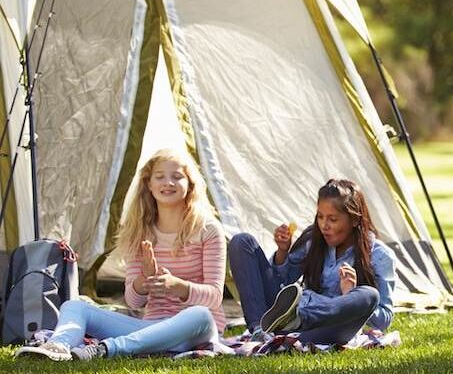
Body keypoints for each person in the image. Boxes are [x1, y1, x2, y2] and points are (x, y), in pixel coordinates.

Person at [16, 149, 225, 361]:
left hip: (195, 330)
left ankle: (106, 349)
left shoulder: (208, 229)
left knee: (200, 314)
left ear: (190, 184)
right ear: (149, 185)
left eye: (177, 176)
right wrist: (143, 280)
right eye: (160, 177)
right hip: (148, 328)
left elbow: (215, 297)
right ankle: (58, 347)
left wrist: (177, 286)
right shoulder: (139, 231)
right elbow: (133, 302)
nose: (168, 182)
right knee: (74, 305)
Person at [227, 178, 398, 345]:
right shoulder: (313, 240)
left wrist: (349, 296)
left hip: (331, 327)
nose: (324, 226)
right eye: (320, 217)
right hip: (290, 316)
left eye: (332, 219)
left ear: (354, 220)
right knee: (242, 242)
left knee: (369, 295)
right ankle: (260, 331)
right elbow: (283, 285)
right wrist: (283, 251)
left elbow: (384, 320)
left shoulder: (380, 255)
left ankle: (297, 321)